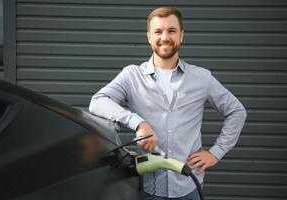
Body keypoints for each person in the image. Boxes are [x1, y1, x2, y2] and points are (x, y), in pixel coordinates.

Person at [89, 7, 247, 200]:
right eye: (158, 31)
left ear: (181, 36)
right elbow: (98, 102)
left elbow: (236, 111)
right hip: (146, 188)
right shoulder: (132, 76)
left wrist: (216, 152)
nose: (165, 37)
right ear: (149, 37)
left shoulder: (202, 77)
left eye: (171, 30)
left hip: (189, 187)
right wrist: (139, 123)